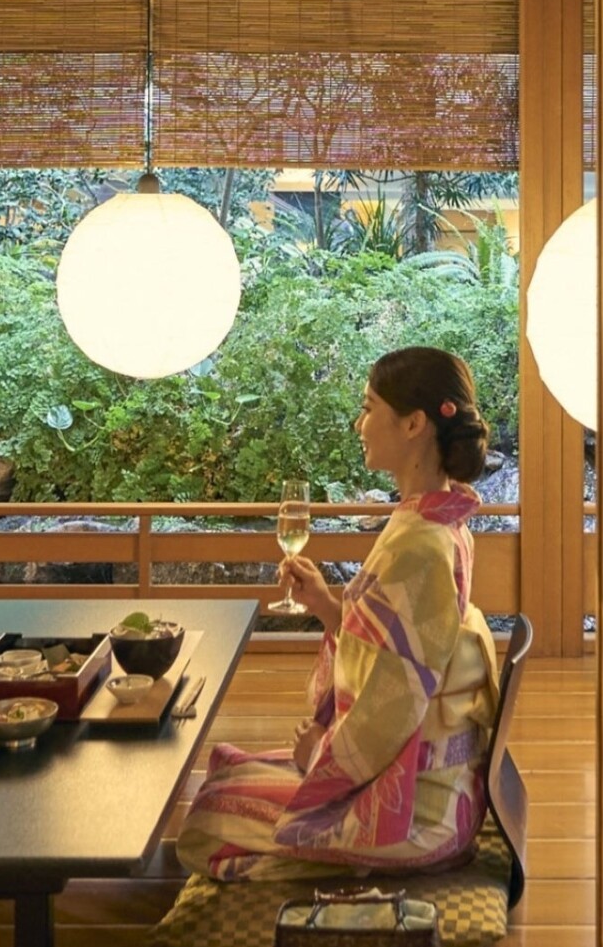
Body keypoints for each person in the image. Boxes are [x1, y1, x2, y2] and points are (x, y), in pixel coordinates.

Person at [176, 346, 501, 883]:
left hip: (417, 811)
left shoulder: (418, 546)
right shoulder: (441, 520)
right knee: (227, 771)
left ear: (415, 423)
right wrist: (330, 608)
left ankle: (336, 880)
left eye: (369, 407)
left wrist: (321, 754)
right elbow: (403, 659)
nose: (359, 423)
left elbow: (387, 712)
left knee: (206, 821)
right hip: (435, 780)